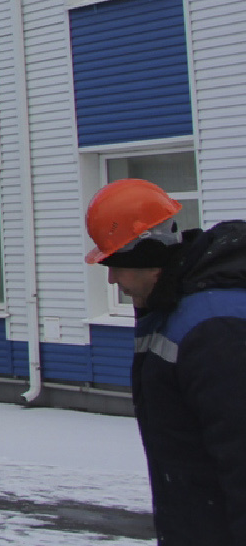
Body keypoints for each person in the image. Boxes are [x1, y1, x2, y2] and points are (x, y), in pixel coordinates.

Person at [84, 177, 246, 544]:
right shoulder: (170, 308)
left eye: (115, 265)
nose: (111, 280)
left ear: (145, 256)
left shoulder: (213, 329)